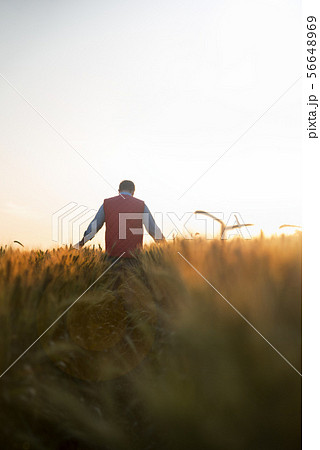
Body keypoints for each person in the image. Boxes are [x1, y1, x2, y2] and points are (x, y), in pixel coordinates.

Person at [76, 180, 164, 258]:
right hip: (134, 257)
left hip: (112, 255)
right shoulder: (141, 205)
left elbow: (94, 226)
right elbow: (152, 229)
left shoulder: (107, 204)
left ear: (119, 191)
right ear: (133, 192)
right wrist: (167, 246)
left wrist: (81, 243)